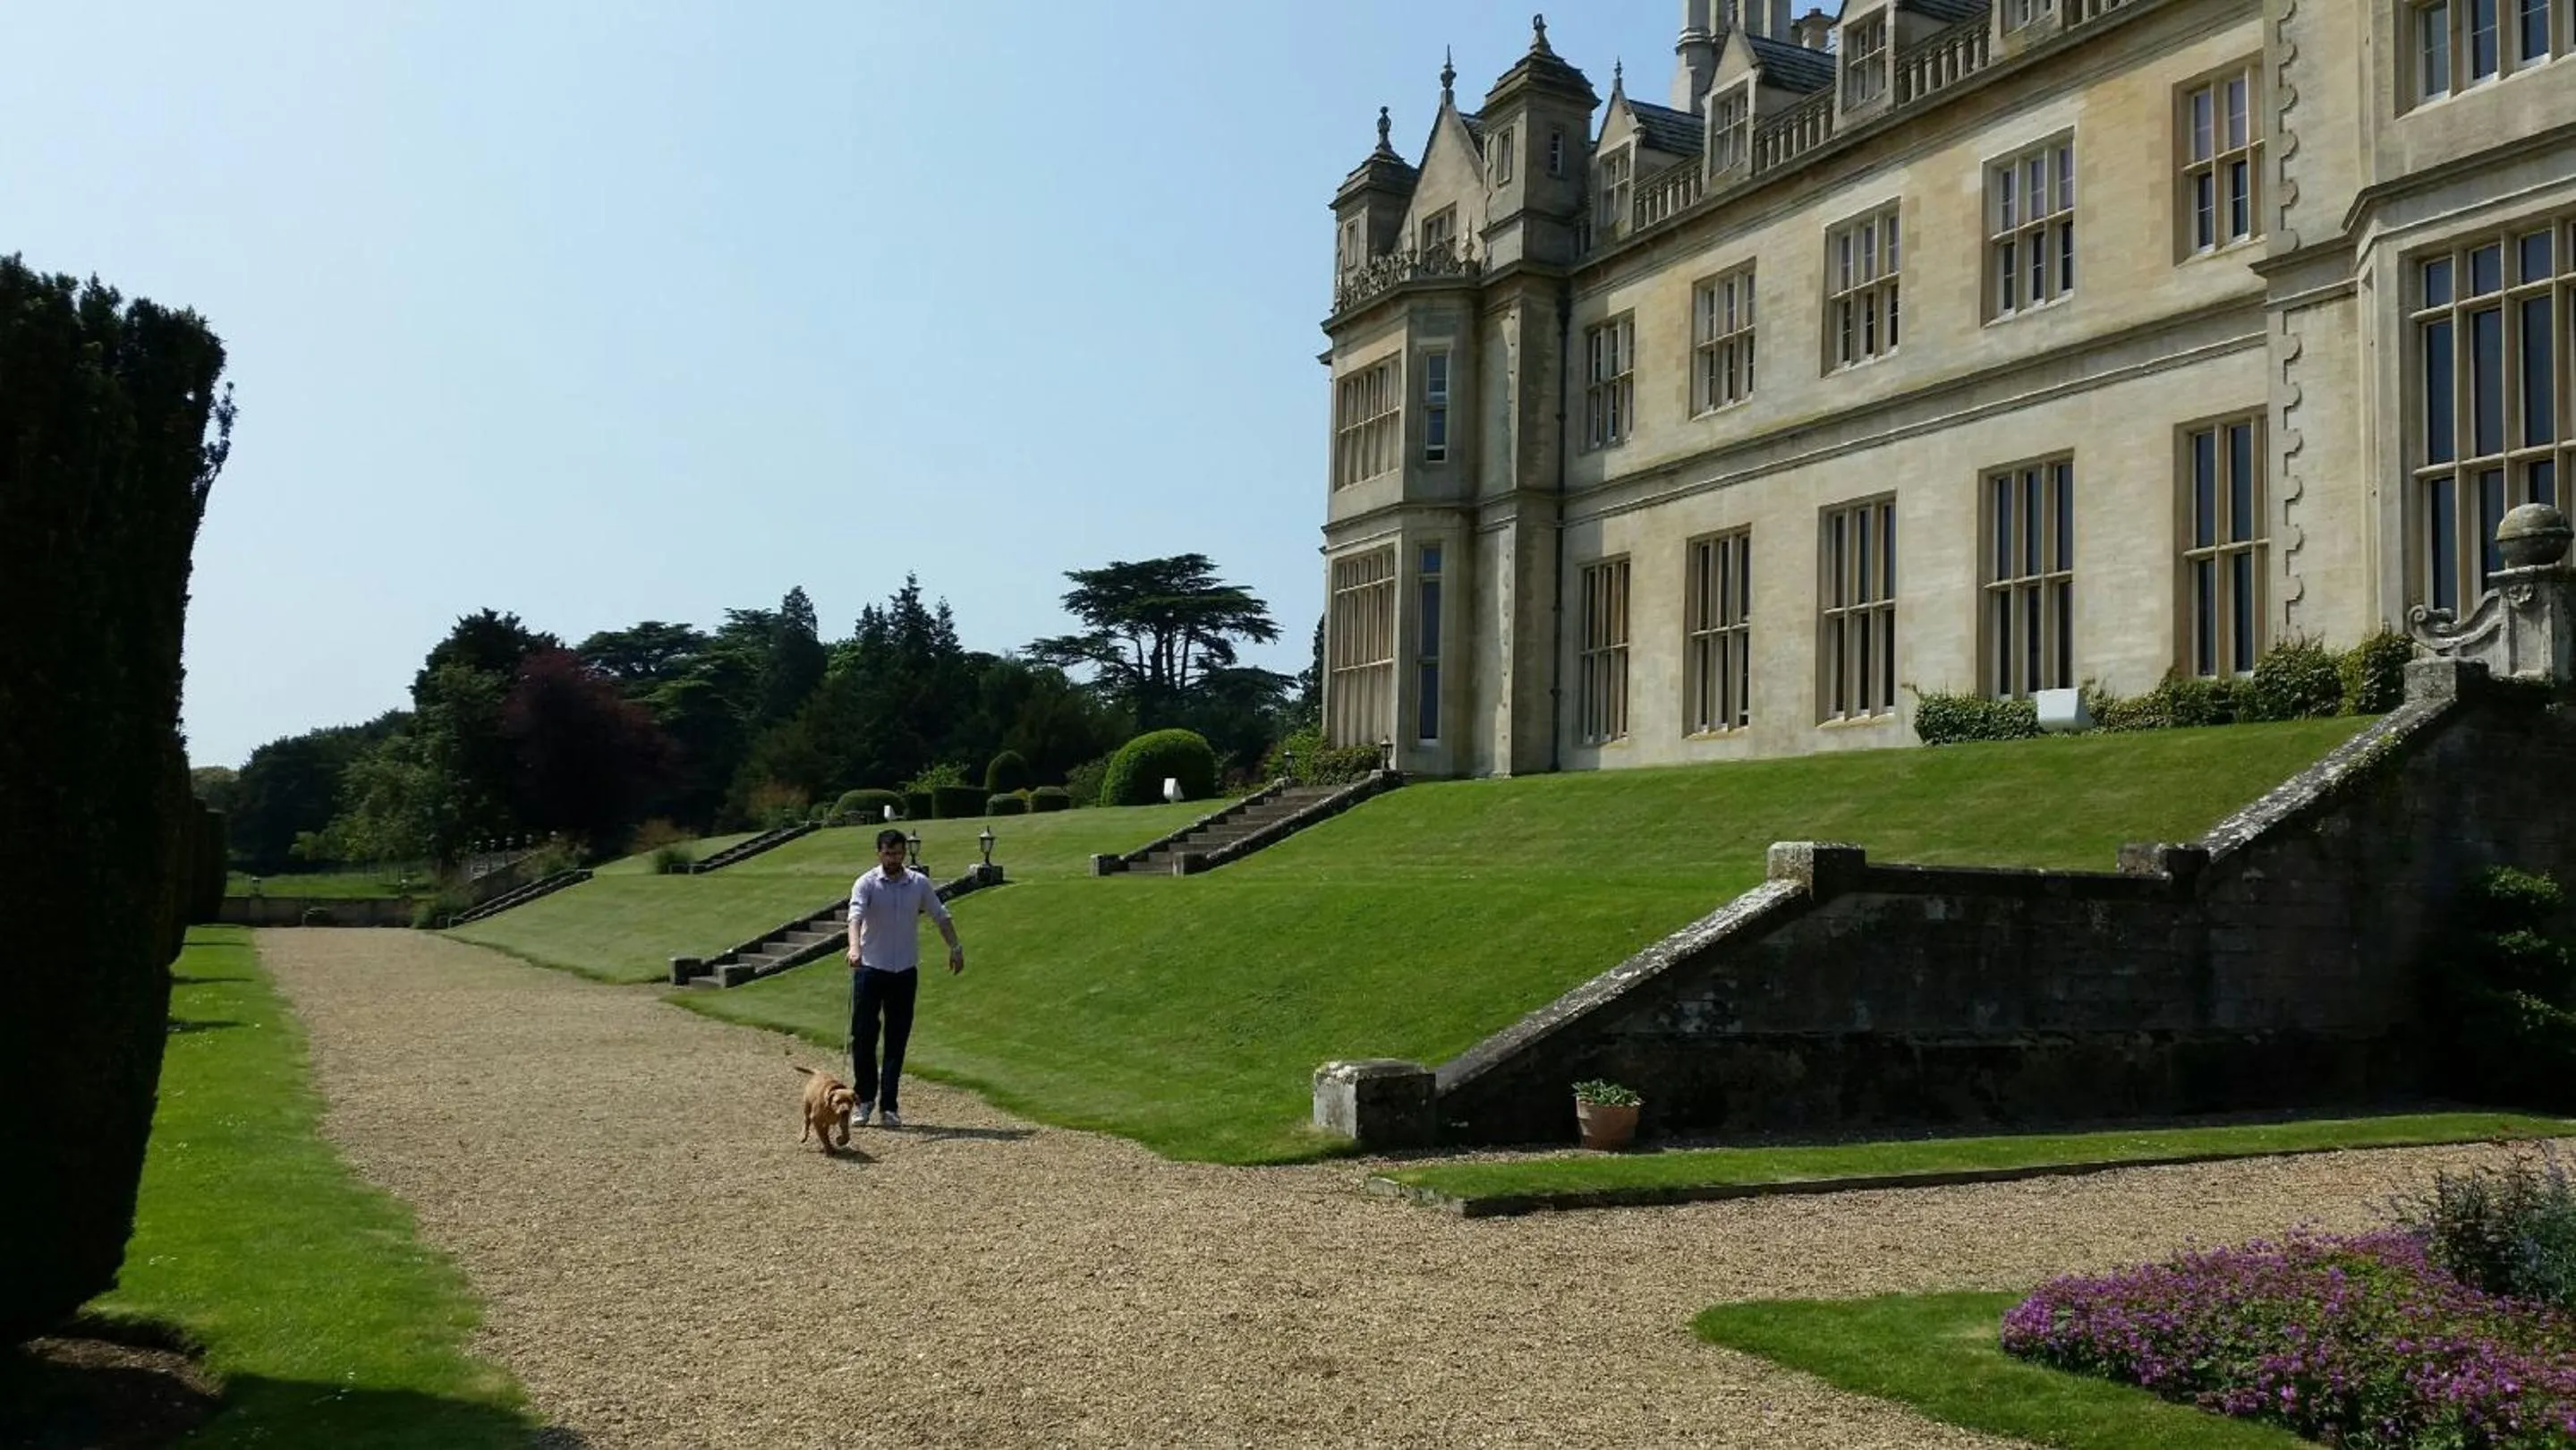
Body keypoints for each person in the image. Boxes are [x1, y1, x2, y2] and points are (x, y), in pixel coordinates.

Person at [845, 828, 963, 1130]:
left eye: (898, 854)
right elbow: (855, 917)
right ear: (878, 853)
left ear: (904, 853)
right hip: (870, 969)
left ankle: (890, 1106)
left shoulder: (918, 883)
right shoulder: (866, 883)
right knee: (864, 1037)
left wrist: (955, 947)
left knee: (896, 1041)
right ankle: (864, 1099)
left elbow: (941, 915)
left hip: (904, 972)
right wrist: (854, 948)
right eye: (888, 853)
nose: (893, 859)